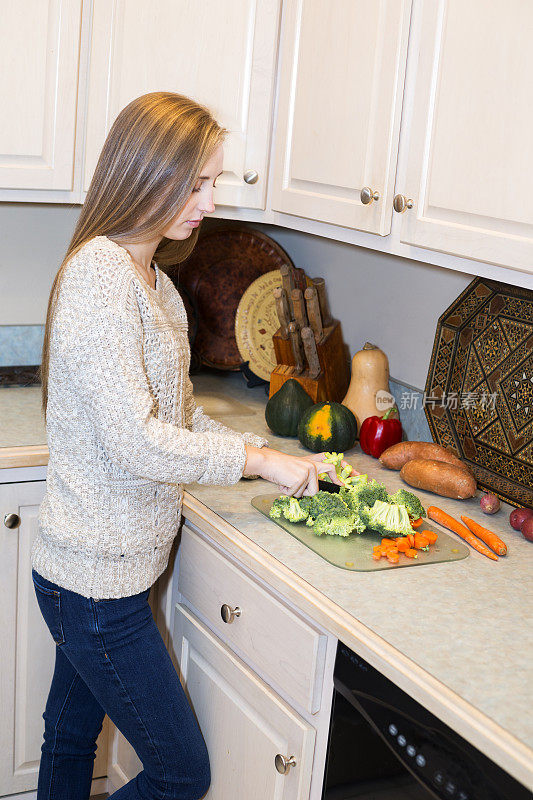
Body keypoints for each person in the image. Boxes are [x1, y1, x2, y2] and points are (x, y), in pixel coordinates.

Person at [31, 91, 341, 800]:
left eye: (214, 182)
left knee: (70, 735)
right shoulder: (101, 276)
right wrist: (257, 459)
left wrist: (279, 465)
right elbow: (139, 443)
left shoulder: (156, 284)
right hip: (94, 586)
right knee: (179, 774)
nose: (210, 200)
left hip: (100, 573)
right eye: (195, 182)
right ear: (143, 173)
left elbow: (178, 416)